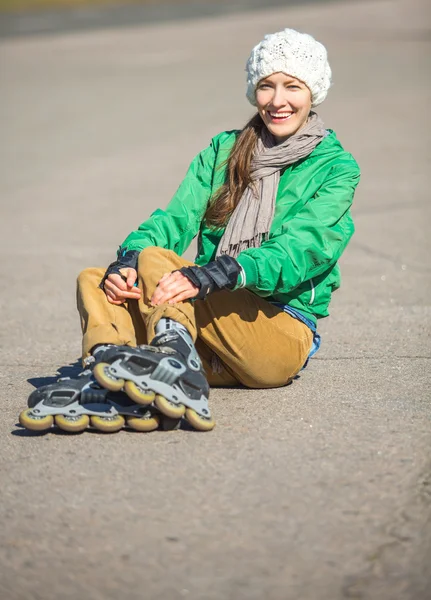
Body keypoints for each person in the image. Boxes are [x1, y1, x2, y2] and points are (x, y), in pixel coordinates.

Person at [19, 28, 360, 434]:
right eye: (266, 86)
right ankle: (111, 369)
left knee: (157, 264)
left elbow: (304, 249)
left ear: (313, 92)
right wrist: (127, 260)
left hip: (278, 331)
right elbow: (175, 219)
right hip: (211, 333)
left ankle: (169, 363)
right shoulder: (224, 151)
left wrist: (218, 272)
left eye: (293, 86)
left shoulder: (337, 168)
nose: (278, 100)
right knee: (96, 279)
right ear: (254, 92)